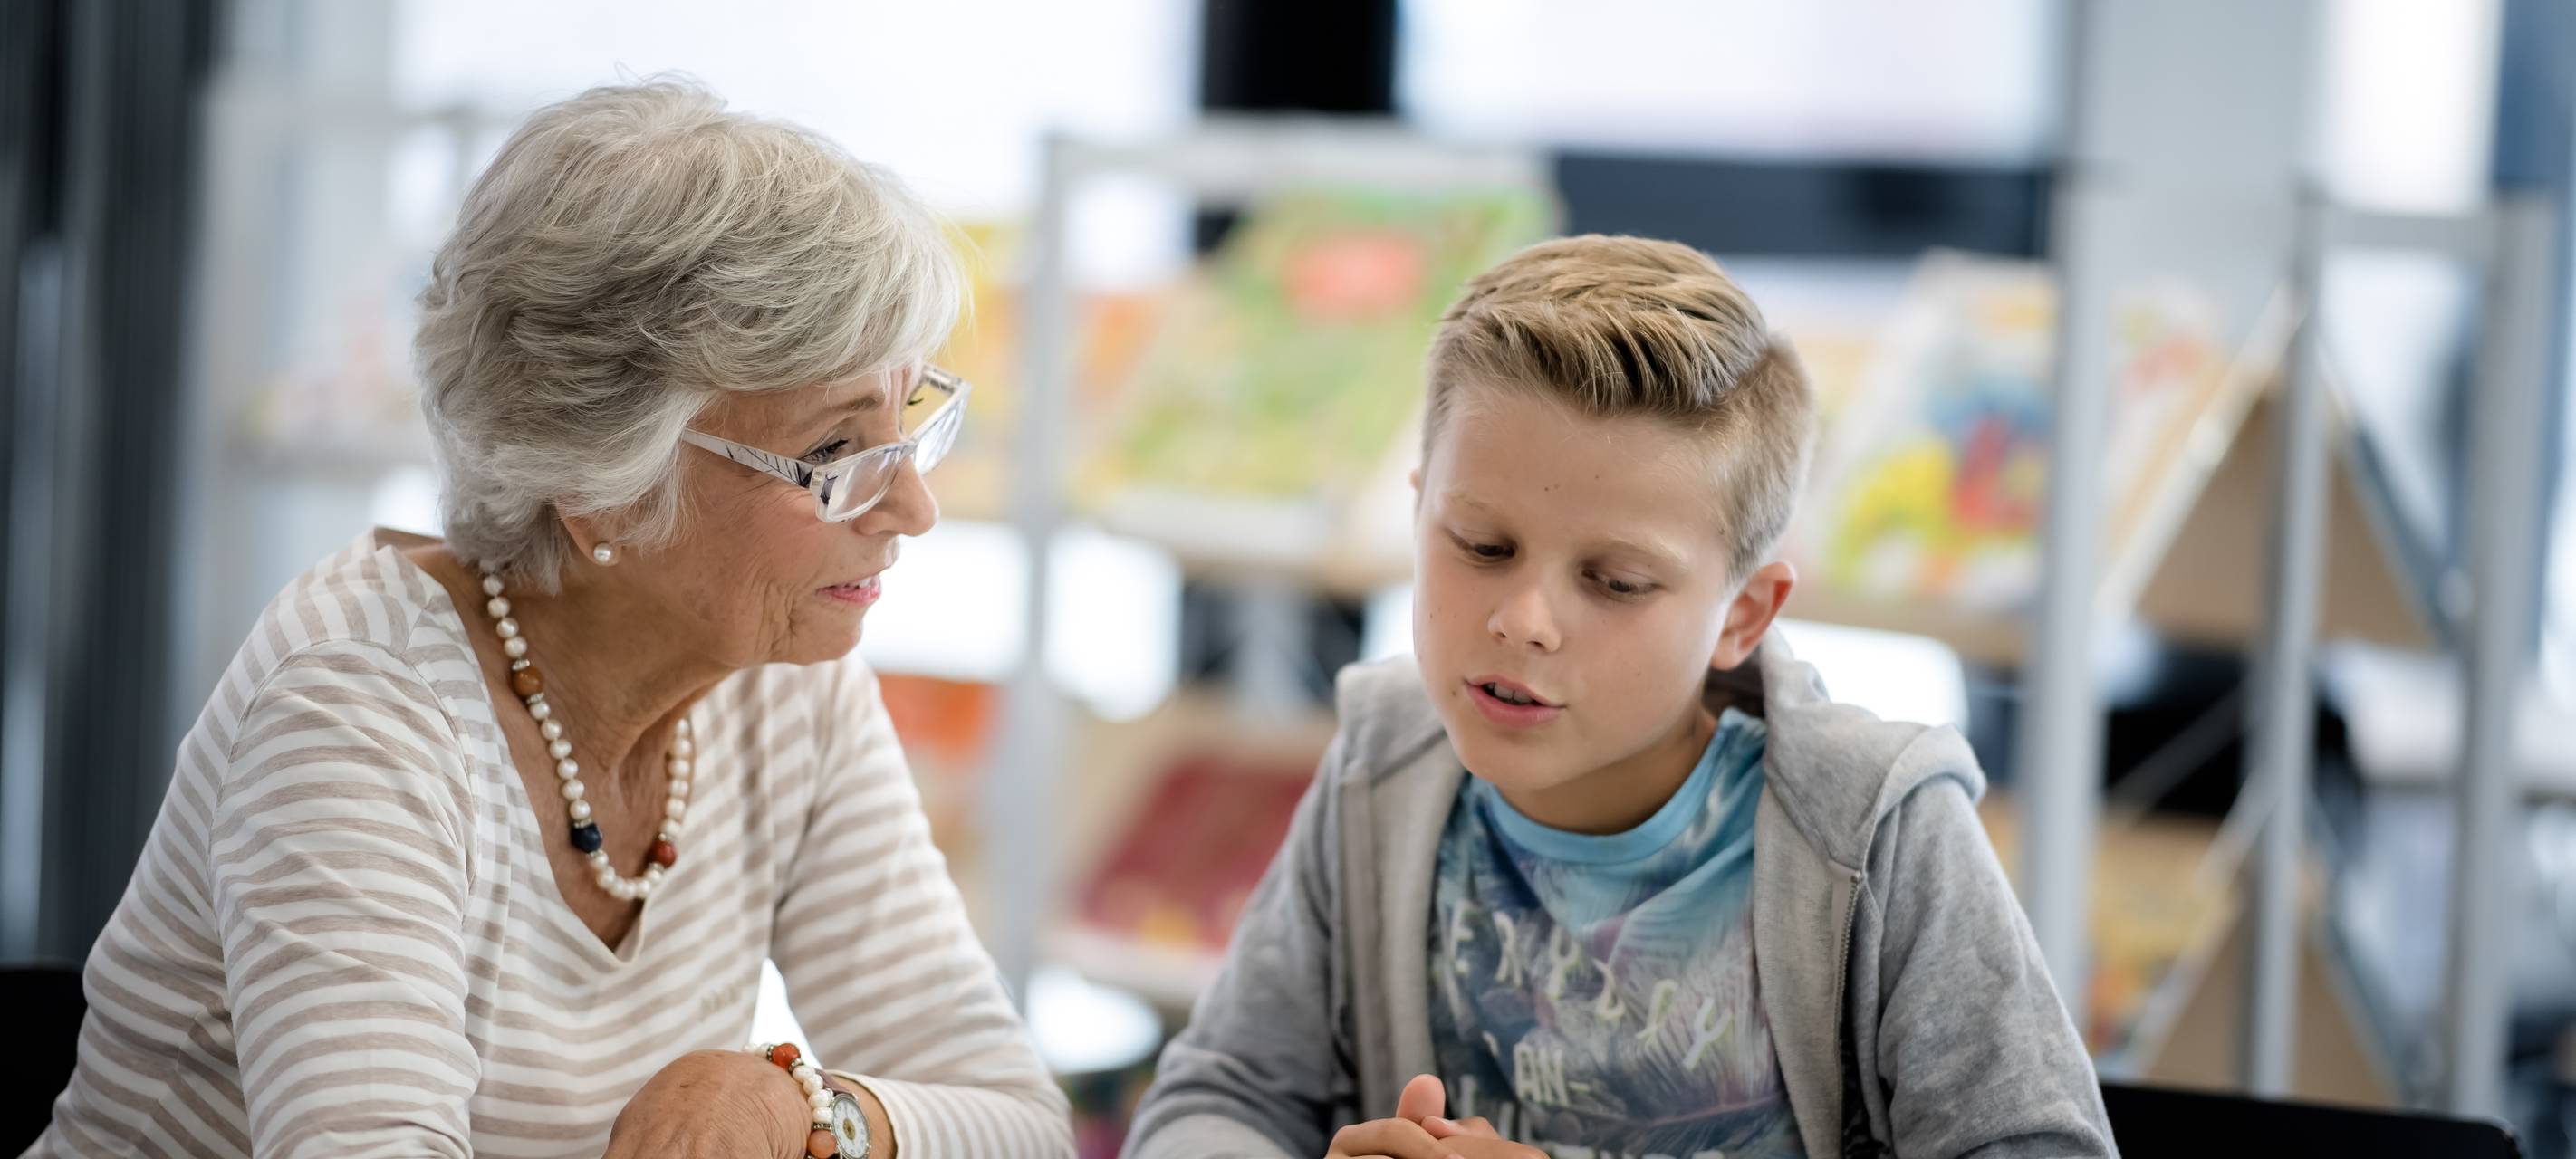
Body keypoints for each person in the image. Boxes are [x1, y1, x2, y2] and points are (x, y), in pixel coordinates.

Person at [27, 81, 1072, 1159]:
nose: (913, 507)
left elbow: (1022, 1122)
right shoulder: (357, 710)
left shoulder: (782, 675)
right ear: (602, 483)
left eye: (910, 421)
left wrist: (811, 1111)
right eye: (835, 455)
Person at [1122, 235, 2115, 1159]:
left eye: (1617, 581)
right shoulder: (1383, 764)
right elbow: (1221, 1093)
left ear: (1744, 614)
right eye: (1480, 545)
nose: (1525, 619)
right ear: (1420, 508)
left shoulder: (1876, 830)